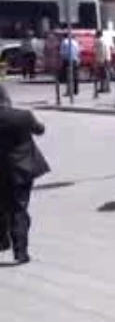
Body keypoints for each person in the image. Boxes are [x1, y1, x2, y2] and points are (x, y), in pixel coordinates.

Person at [0, 85, 48, 265]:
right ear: (7, 98)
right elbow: (40, 130)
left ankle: (3, 241)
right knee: (19, 208)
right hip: (21, 169)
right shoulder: (22, 116)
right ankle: (20, 251)